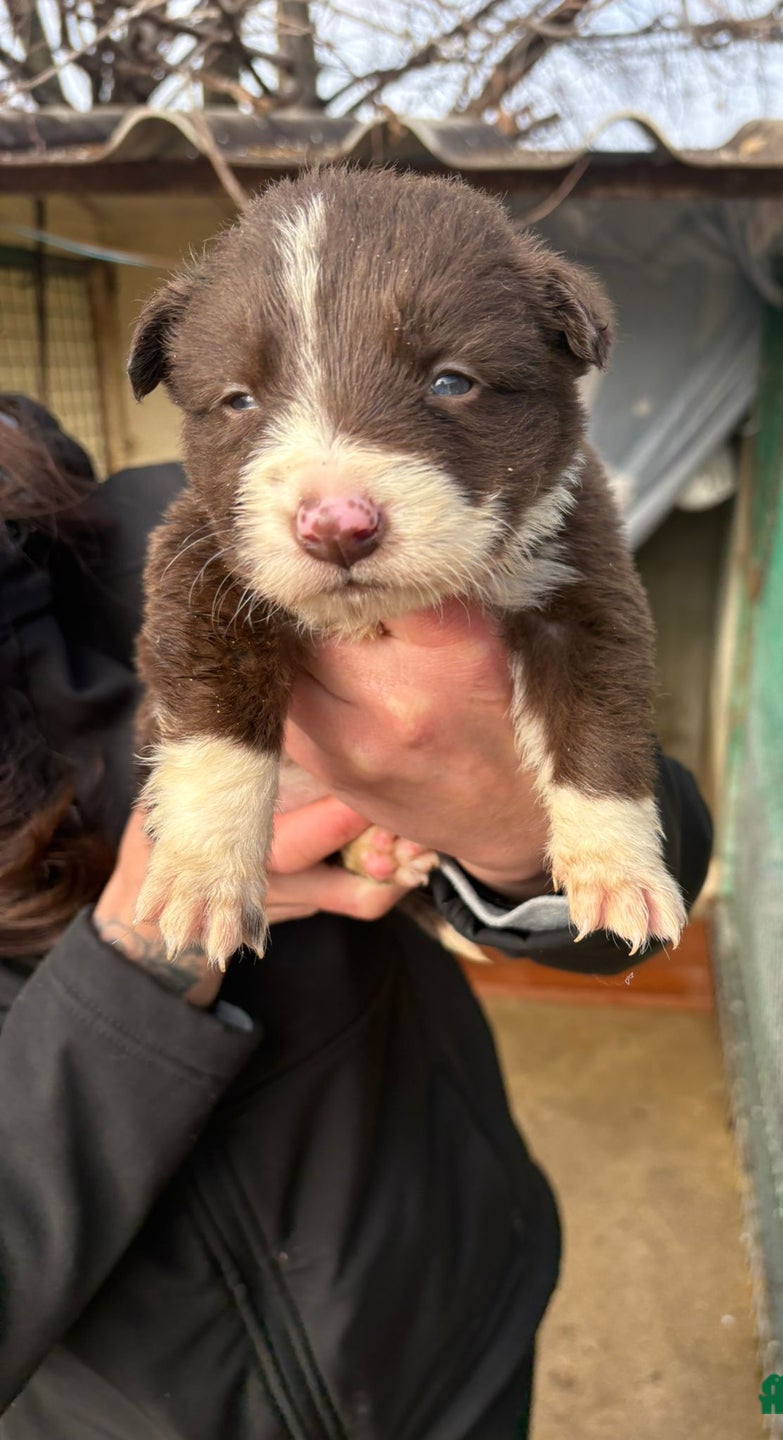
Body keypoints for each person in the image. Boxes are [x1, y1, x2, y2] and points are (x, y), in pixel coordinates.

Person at [0, 396, 712, 1440]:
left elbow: (649, 882)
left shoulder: (190, 526)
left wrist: (511, 826)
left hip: (459, 1305)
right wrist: (144, 951)